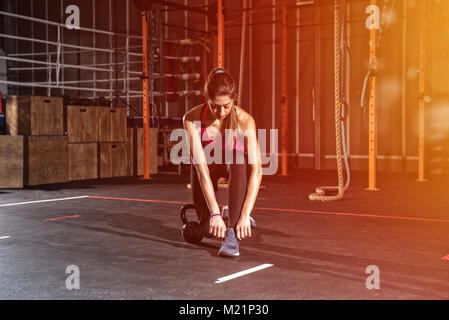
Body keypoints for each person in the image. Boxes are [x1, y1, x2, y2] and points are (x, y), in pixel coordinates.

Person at [182, 68, 262, 257]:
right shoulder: (191, 119)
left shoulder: (245, 121)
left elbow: (257, 171)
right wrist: (215, 214)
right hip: (208, 170)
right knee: (207, 229)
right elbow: (201, 171)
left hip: (235, 170)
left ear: (233, 99)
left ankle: (232, 232)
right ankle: (223, 213)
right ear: (207, 98)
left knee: (238, 159)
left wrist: (244, 215)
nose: (221, 111)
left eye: (226, 105)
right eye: (215, 106)